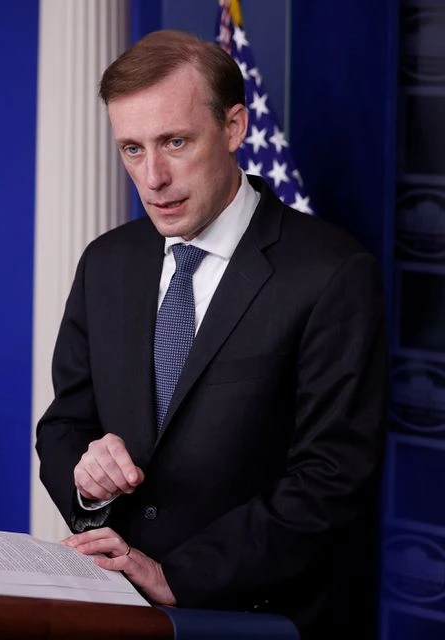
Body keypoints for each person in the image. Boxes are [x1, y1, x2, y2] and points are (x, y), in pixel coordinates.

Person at [35, 30, 387, 640]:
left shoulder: (332, 272)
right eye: (132, 149)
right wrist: (89, 486)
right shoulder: (106, 262)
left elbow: (333, 476)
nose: (153, 177)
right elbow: (65, 425)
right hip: (120, 605)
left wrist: (178, 575)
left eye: (175, 142)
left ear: (233, 127)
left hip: (264, 617)